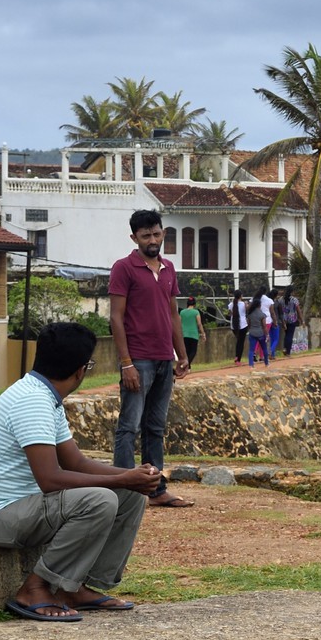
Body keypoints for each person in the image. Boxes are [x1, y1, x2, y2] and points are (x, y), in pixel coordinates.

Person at [0, 322, 159, 621]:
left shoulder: (45, 395)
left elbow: (76, 463)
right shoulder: (32, 401)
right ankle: (34, 588)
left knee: (130, 496)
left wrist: (131, 478)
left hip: (18, 510)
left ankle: (74, 585)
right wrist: (121, 478)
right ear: (80, 370)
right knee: (100, 500)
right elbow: (50, 479)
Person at [108, 209, 192, 509]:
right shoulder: (124, 268)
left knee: (155, 428)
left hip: (162, 360)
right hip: (138, 359)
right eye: (146, 235)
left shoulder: (169, 268)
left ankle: (155, 491)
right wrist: (126, 362)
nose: (152, 239)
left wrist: (182, 355)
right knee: (129, 427)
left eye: (156, 233)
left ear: (163, 233)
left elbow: (173, 314)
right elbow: (116, 318)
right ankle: (122, 495)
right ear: (134, 238)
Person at [179, 296, 206, 366]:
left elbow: (179, 323)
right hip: (193, 334)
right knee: (193, 351)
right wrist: (203, 334)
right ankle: (186, 365)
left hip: (184, 334)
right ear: (194, 304)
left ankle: (188, 367)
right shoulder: (196, 312)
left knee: (187, 351)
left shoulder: (182, 312)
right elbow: (199, 324)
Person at [246, 292, 270, 367]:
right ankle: (266, 363)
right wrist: (267, 335)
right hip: (261, 334)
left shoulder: (250, 314)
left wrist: (250, 330)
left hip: (252, 333)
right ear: (260, 305)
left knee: (251, 350)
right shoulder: (262, 314)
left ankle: (251, 364)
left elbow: (248, 324)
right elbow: (264, 326)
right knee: (264, 349)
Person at [279, 287, 300, 356]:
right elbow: (298, 310)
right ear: (292, 292)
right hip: (292, 319)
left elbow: (279, 308)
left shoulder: (281, 299)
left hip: (284, 319)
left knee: (286, 334)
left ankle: (285, 348)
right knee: (290, 335)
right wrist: (301, 319)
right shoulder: (294, 300)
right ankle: (288, 352)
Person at [229, 289, 247, 365]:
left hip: (234, 325)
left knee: (238, 341)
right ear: (241, 296)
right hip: (243, 325)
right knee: (241, 342)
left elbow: (230, 314)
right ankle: (238, 358)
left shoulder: (230, 305)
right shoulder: (243, 304)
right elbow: (247, 311)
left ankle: (237, 357)